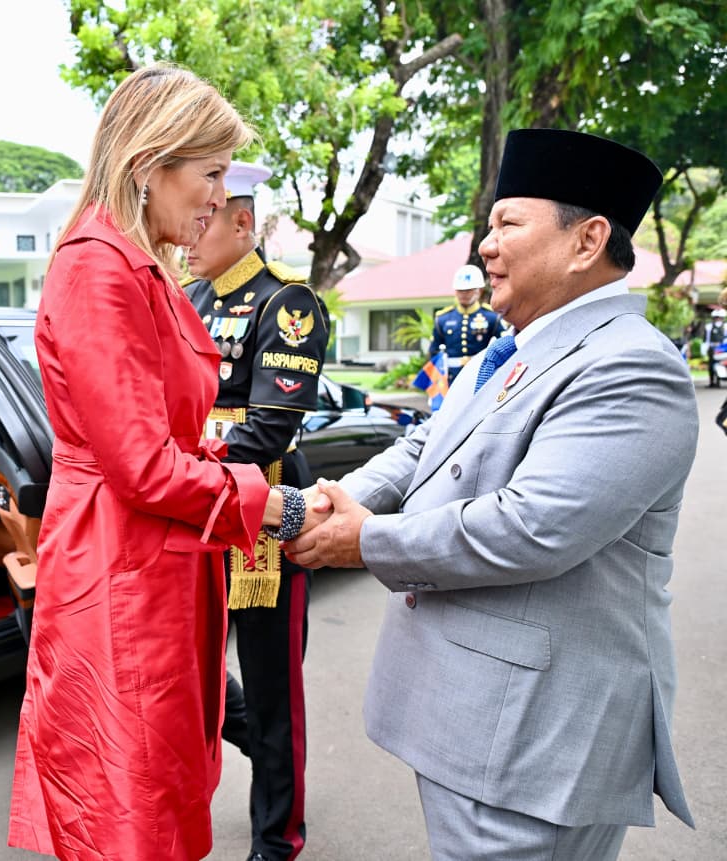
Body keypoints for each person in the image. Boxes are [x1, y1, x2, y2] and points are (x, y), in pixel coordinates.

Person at [284, 128, 698, 860]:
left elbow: (532, 525)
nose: (483, 244)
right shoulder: (512, 347)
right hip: (474, 719)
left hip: (534, 739)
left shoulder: (631, 365)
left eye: (507, 222)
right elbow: (423, 447)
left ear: (587, 240)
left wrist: (364, 540)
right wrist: (331, 499)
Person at [8, 65, 297, 861]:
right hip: (121, 565)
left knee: (154, 790)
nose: (219, 197)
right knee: (129, 808)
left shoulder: (136, 263)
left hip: (145, 558)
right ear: (148, 167)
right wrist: (276, 505)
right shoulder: (100, 266)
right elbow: (142, 465)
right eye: (209, 174)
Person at [184, 161, 329, 861]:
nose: (190, 231)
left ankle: (277, 838)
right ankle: (275, 771)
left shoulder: (287, 304)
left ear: (242, 222)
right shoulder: (186, 296)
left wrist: (177, 464)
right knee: (195, 675)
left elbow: (269, 427)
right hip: (195, 506)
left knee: (275, 692)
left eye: (204, 216)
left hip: (263, 506)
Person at [429, 263, 509, 382]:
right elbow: (434, 350)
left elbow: (505, 346)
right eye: (460, 291)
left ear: (479, 291)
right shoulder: (442, 319)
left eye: (468, 291)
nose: (464, 294)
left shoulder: (492, 317)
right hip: (451, 378)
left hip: (481, 375)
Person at [702, 307, 725, 387]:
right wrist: (705, 348)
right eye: (716, 317)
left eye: (719, 317)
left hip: (723, 349)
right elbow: (706, 339)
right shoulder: (709, 327)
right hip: (712, 348)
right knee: (711, 365)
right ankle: (712, 382)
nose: (718, 319)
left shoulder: (725, 327)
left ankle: (721, 379)